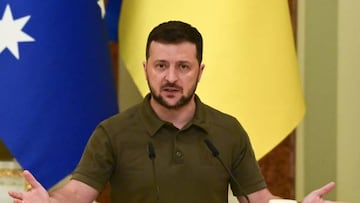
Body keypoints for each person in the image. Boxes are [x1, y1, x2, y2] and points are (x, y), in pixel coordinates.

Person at [9, 21, 345, 203]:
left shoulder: (227, 130)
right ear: (146, 69)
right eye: (161, 66)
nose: (171, 77)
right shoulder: (113, 132)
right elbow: (78, 194)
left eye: (183, 66)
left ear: (200, 71)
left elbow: (258, 200)